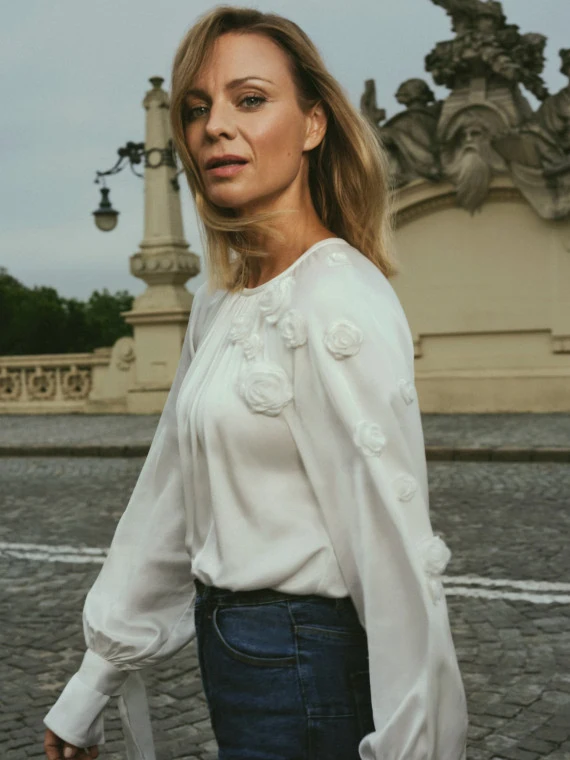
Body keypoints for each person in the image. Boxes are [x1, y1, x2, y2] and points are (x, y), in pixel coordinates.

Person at [43, 6, 469, 760]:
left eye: (249, 99)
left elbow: (394, 553)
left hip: (304, 665)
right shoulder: (221, 299)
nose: (214, 127)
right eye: (197, 109)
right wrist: (95, 677)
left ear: (312, 124)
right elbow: (171, 490)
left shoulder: (339, 297)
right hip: (235, 656)